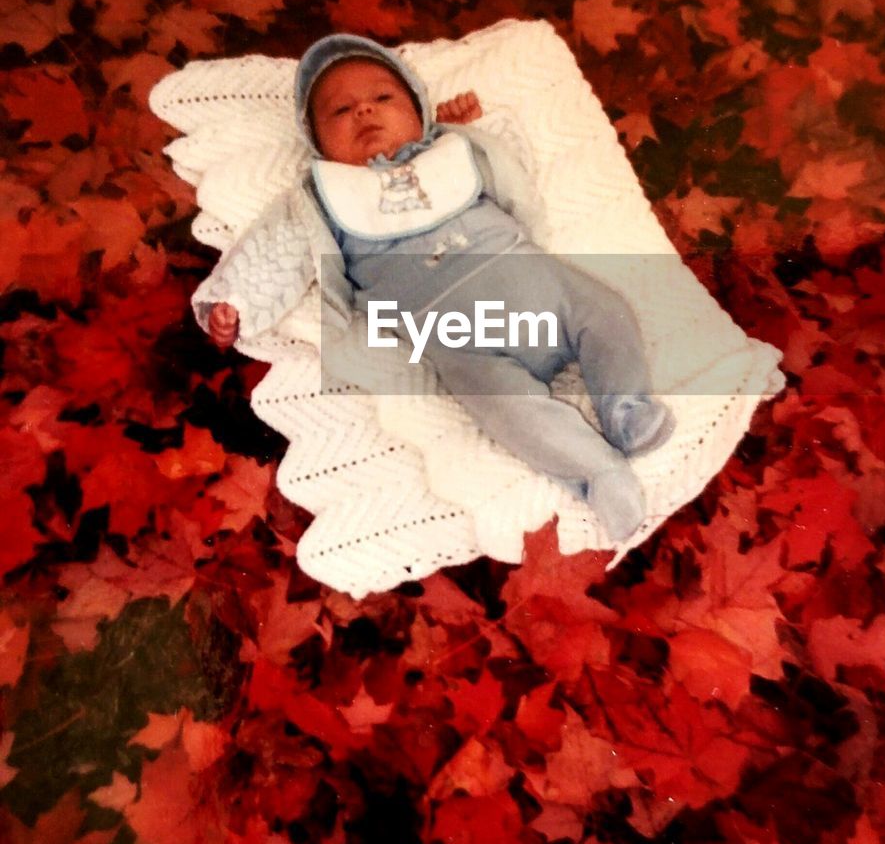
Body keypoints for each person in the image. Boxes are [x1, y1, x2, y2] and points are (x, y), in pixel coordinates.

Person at [202, 34, 673, 542]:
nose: (364, 110)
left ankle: (627, 409)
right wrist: (236, 300)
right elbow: (273, 250)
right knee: (501, 406)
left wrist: (476, 127)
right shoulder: (323, 198)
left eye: (383, 97)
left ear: (419, 109)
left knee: (608, 311)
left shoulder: (456, 149)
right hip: (457, 337)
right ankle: (598, 470)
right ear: (315, 140)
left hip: (543, 284)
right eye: (340, 110)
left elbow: (516, 166)